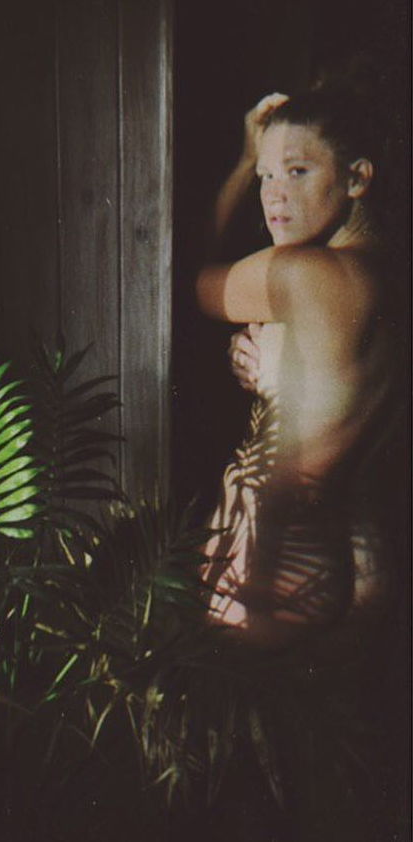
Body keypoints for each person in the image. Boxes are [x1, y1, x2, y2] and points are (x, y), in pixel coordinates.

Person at [195, 86, 394, 649]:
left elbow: (180, 279)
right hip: (357, 562)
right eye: (263, 176)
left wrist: (241, 162)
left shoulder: (301, 272)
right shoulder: (390, 274)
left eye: (297, 171)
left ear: (357, 178)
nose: (273, 195)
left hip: (275, 569)